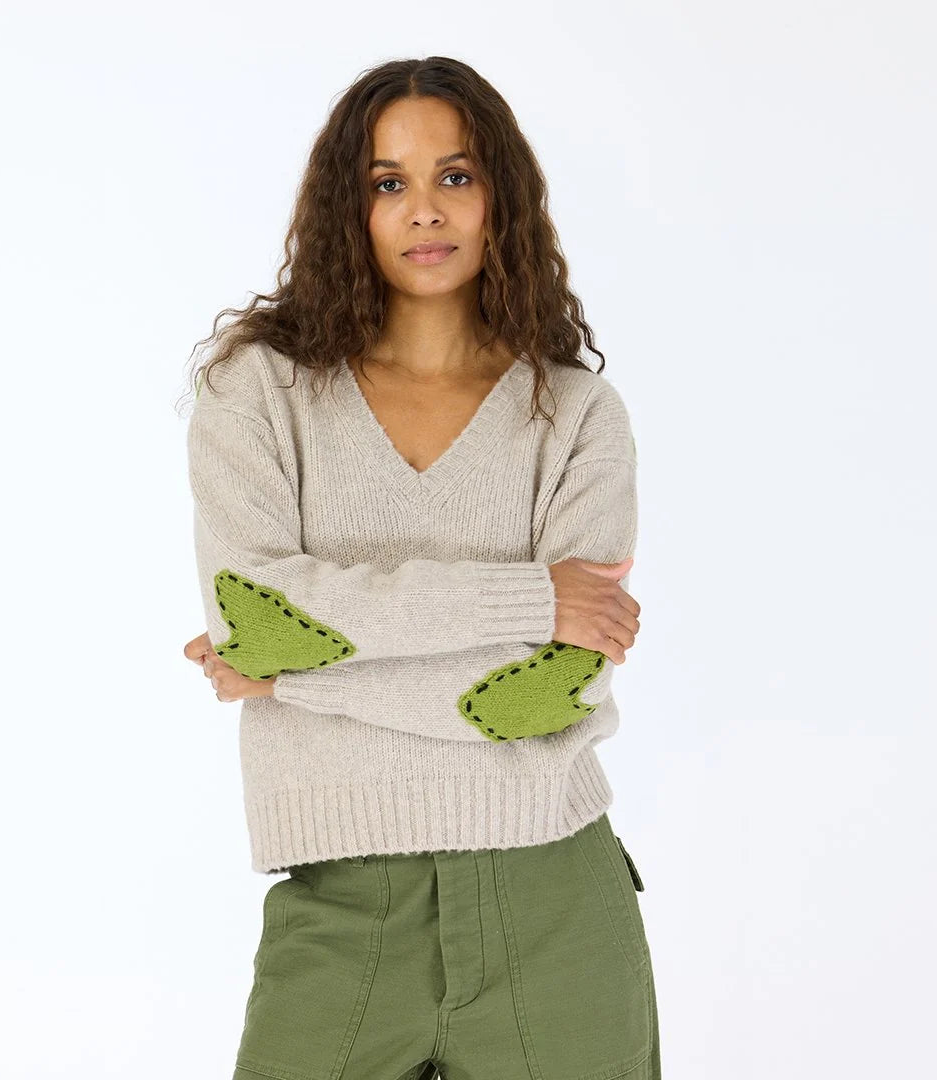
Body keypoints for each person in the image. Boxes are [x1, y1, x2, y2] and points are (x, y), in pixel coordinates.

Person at [180, 56, 659, 1080]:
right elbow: (258, 617)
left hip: (555, 904)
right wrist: (530, 598)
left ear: (501, 198)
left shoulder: (577, 416)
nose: (424, 209)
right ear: (346, 207)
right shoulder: (258, 393)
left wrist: (297, 678)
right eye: (388, 182)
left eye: (456, 175)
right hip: (338, 907)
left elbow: (545, 692)